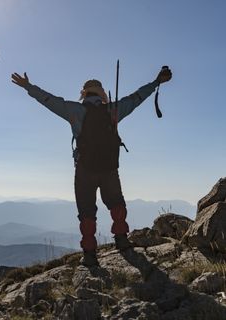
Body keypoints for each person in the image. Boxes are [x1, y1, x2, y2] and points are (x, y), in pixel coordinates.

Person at [11, 66, 172, 266]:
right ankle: (122, 240)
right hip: (109, 167)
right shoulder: (113, 110)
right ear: (102, 93)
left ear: (84, 94)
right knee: (116, 203)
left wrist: (28, 86)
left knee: (86, 211)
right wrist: (156, 82)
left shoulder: (74, 110)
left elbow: (49, 100)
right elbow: (137, 97)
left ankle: (89, 253)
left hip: (85, 168)